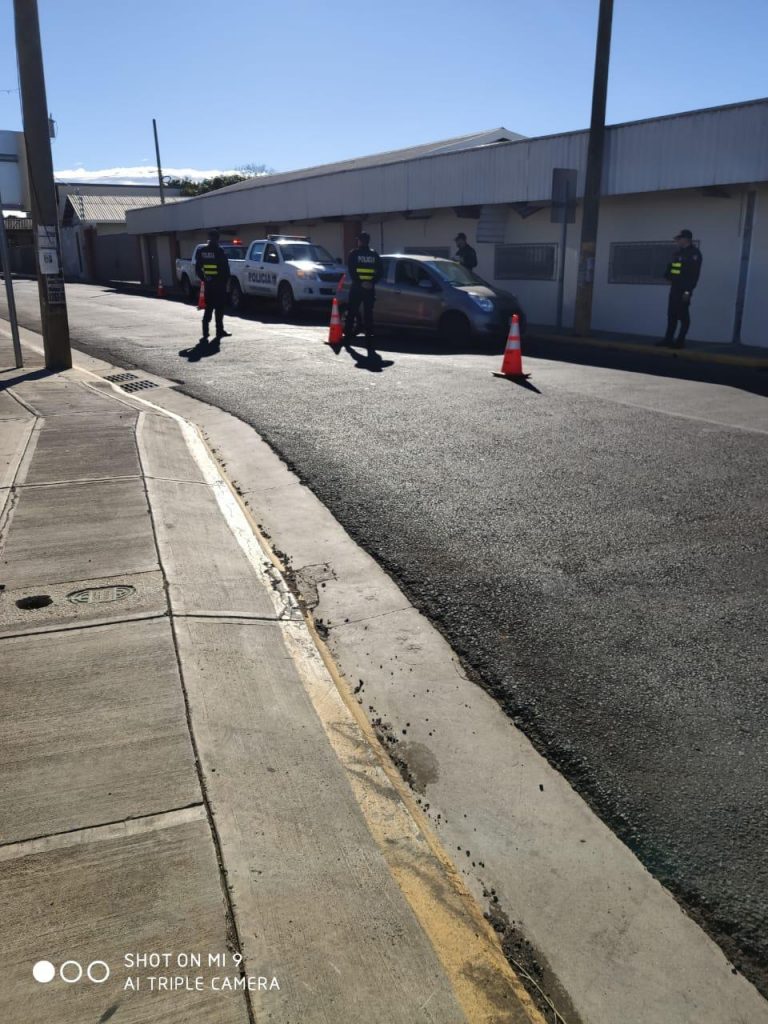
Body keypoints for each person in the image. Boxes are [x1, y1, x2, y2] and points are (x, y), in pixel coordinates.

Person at [659, 229, 702, 348]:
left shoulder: (694, 254)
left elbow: (694, 275)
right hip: (675, 289)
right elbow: (675, 270)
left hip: (685, 290)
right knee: (671, 315)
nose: (678, 241)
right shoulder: (678, 254)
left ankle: (680, 341)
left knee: (683, 316)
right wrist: (669, 274)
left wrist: (688, 292)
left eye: (680, 238)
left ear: (686, 239)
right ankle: (668, 340)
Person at [344, 232, 382, 341]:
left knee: (352, 312)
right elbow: (380, 271)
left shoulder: (354, 254)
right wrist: (372, 282)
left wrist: (360, 282)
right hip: (369, 289)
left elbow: (352, 271)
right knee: (368, 314)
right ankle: (369, 338)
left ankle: (347, 337)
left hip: (357, 288)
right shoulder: (374, 254)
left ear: (360, 241)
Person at [195, 229, 231, 341]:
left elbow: (198, 268)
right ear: (218, 238)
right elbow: (225, 269)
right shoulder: (219, 251)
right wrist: (226, 282)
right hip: (219, 285)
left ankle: (205, 332)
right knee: (219, 309)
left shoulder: (202, 251)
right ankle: (219, 331)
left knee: (209, 308)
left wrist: (204, 278)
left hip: (209, 285)